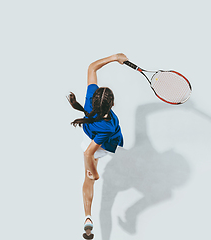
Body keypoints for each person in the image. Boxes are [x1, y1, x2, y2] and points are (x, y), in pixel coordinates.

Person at [67, 53, 128, 239]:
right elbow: (88, 153)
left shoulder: (89, 98)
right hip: (101, 144)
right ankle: (89, 216)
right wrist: (93, 170)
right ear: (112, 104)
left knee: (88, 179)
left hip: (90, 136)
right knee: (90, 176)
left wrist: (114, 57)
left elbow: (92, 67)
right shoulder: (108, 127)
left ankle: (87, 216)